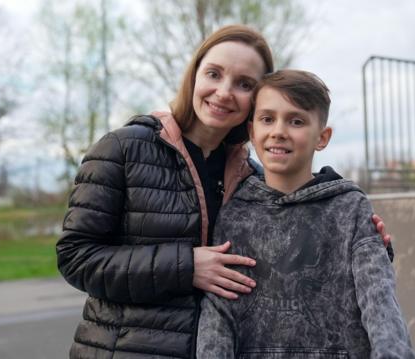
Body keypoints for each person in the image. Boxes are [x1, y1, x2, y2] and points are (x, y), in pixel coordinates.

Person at [57, 25, 392, 359]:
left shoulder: (250, 177)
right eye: (214, 74)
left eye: (244, 84)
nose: (224, 92)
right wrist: (187, 267)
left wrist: (361, 248)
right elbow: (75, 257)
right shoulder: (124, 148)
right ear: (194, 75)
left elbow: (289, 266)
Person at [196, 69, 414, 359]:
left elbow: (381, 304)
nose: (278, 131)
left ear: (322, 137)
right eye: (267, 119)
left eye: (296, 121)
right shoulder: (235, 214)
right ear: (252, 131)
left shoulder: (349, 208)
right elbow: (218, 315)